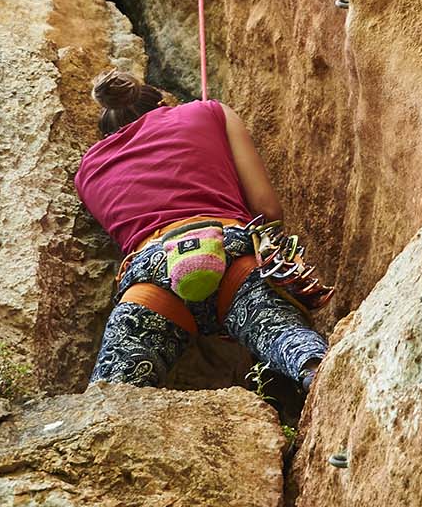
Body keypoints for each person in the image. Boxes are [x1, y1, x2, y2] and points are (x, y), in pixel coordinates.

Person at [73, 72, 329, 391]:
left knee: (109, 396)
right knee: (300, 351)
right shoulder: (208, 111)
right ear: (163, 102)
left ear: (108, 131)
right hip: (230, 253)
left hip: (153, 276)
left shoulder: (88, 169)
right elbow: (268, 210)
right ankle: (319, 378)